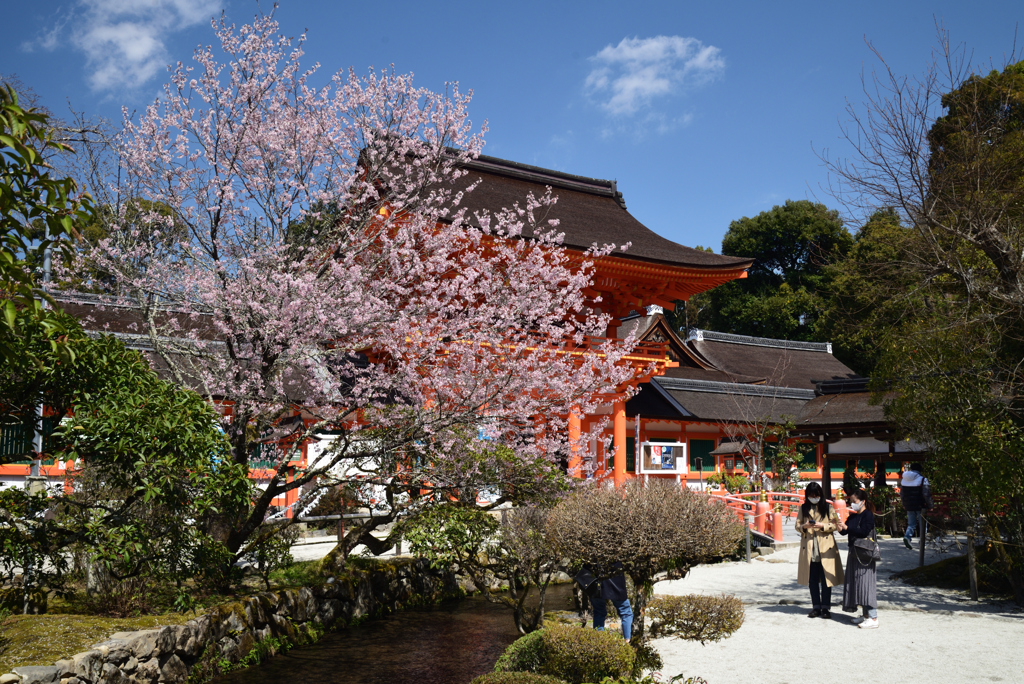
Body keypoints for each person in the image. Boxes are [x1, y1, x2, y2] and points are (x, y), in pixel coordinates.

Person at [796, 482, 844, 618]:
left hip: (825, 546)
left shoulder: (828, 507)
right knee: (812, 580)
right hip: (810, 547)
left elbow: (836, 525)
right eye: (811, 495)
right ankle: (816, 607)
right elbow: (797, 525)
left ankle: (826, 608)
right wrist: (804, 526)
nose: (813, 498)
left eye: (816, 495)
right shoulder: (803, 508)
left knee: (826, 579)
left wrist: (822, 526)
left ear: (820, 495)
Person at [838, 489, 879, 629]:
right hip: (854, 552)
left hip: (865, 554)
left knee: (866, 584)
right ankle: (865, 615)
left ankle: (873, 617)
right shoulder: (853, 516)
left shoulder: (868, 515)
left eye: (854, 502)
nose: (853, 504)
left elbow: (864, 532)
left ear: (862, 501)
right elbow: (844, 531)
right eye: (851, 502)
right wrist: (839, 525)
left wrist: (847, 527)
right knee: (857, 583)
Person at [589, 563, 633, 640]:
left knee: (598, 613)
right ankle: (628, 641)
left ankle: (599, 644)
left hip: (595, 584)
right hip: (617, 584)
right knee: (626, 613)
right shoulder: (616, 552)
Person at [900, 463, 932, 550]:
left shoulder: (904, 480)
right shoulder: (923, 480)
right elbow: (926, 494)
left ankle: (907, 537)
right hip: (921, 505)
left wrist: (904, 504)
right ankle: (922, 542)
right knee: (922, 525)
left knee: (911, 524)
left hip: (909, 505)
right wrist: (930, 505)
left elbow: (902, 494)